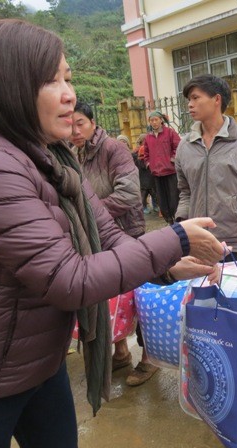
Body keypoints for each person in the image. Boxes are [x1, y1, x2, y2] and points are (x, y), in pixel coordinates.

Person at [0, 19, 223, 448]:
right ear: (10, 86)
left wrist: (168, 264)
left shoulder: (53, 160)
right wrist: (174, 238)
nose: (69, 94)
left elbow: (107, 235)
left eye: (68, 78)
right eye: (51, 79)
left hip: (38, 365)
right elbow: (70, 280)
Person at [70, 104, 158, 386]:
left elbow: (130, 194)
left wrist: (89, 214)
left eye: (80, 123)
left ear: (93, 122)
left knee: (140, 298)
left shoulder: (113, 149)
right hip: (94, 237)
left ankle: (149, 358)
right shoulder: (73, 154)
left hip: (124, 232)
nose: (75, 131)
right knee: (110, 296)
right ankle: (121, 352)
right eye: (69, 125)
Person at [175, 74, 237, 261]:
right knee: (203, 290)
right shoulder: (185, 145)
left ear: (217, 99)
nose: (190, 104)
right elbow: (185, 192)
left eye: (195, 97)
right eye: (188, 99)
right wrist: (180, 226)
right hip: (200, 241)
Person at [142, 111, 181, 224]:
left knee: (174, 197)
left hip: (170, 172)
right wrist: (149, 164)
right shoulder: (148, 137)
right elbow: (146, 154)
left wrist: (172, 160)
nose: (154, 122)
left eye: (156, 120)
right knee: (161, 199)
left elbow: (178, 147)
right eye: (151, 120)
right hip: (156, 173)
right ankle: (168, 220)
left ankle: (177, 218)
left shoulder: (170, 133)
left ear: (161, 120)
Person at [130, 133, 158, 215]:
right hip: (142, 177)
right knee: (143, 195)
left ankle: (155, 205)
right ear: (141, 142)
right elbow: (136, 165)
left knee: (154, 193)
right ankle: (144, 207)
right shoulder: (135, 153)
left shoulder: (152, 150)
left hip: (151, 176)